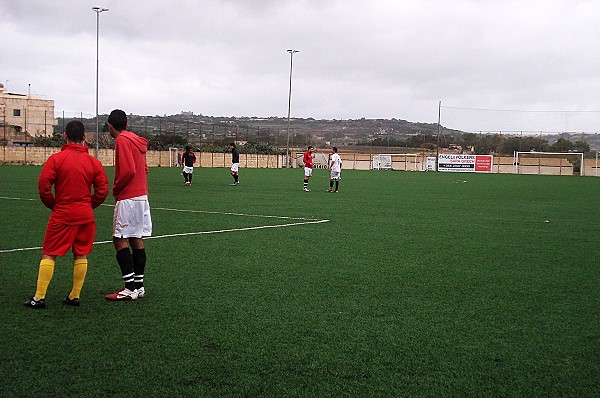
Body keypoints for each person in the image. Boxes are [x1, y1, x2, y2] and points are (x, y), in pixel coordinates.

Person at [24, 120, 108, 308]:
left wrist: (53, 204)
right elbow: (102, 190)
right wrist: (88, 205)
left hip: (62, 213)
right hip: (85, 214)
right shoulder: (93, 162)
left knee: (49, 253)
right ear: (84, 137)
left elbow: (44, 186)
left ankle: (39, 297)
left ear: (65, 136)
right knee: (81, 254)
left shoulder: (56, 159)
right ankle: (74, 295)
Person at [105, 109, 152, 301]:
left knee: (119, 239)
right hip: (142, 196)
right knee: (135, 238)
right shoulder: (137, 140)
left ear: (110, 125)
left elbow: (128, 171)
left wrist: (117, 187)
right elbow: (144, 169)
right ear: (126, 124)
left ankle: (129, 288)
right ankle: (138, 286)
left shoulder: (122, 140)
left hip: (128, 197)